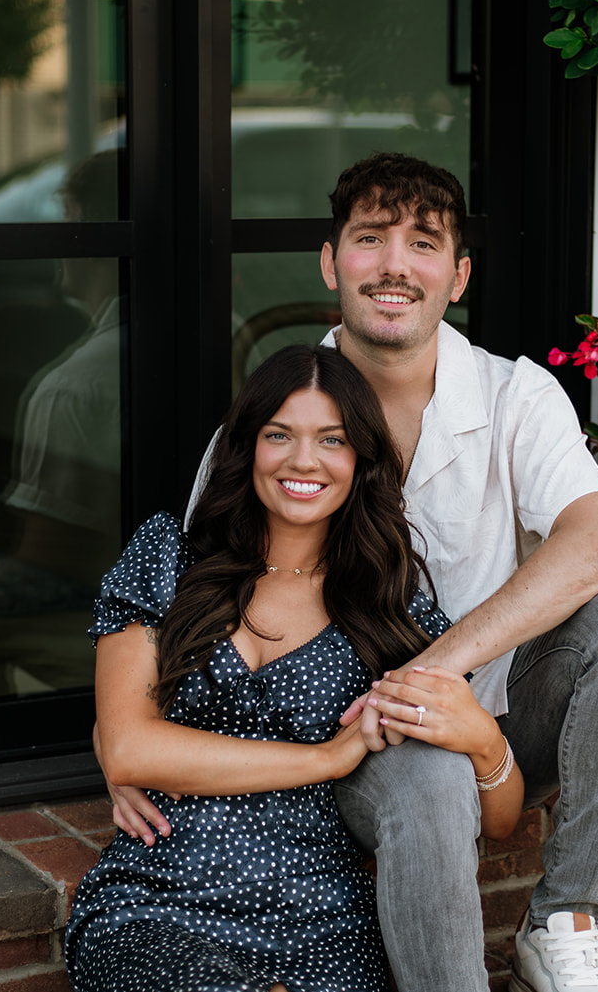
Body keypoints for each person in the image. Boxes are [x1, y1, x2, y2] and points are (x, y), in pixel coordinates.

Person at [112, 153, 598, 992]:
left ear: (458, 276)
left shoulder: (514, 396)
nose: (393, 266)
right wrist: (126, 748)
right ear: (330, 261)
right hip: (345, 746)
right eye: (370, 238)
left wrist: (425, 681)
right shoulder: (279, 412)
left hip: (494, 721)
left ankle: (562, 921)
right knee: (423, 768)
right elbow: (183, 592)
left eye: (423, 244)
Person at [65, 344, 524, 992]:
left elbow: (497, 819)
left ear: (360, 460)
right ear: (246, 445)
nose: (303, 459)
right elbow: (128, 747)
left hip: (321, 915)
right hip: (160, 897)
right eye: (279, 434)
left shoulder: (388, 606)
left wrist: (482, 737)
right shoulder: (168, 555)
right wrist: (324, 759)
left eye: (331, 439)